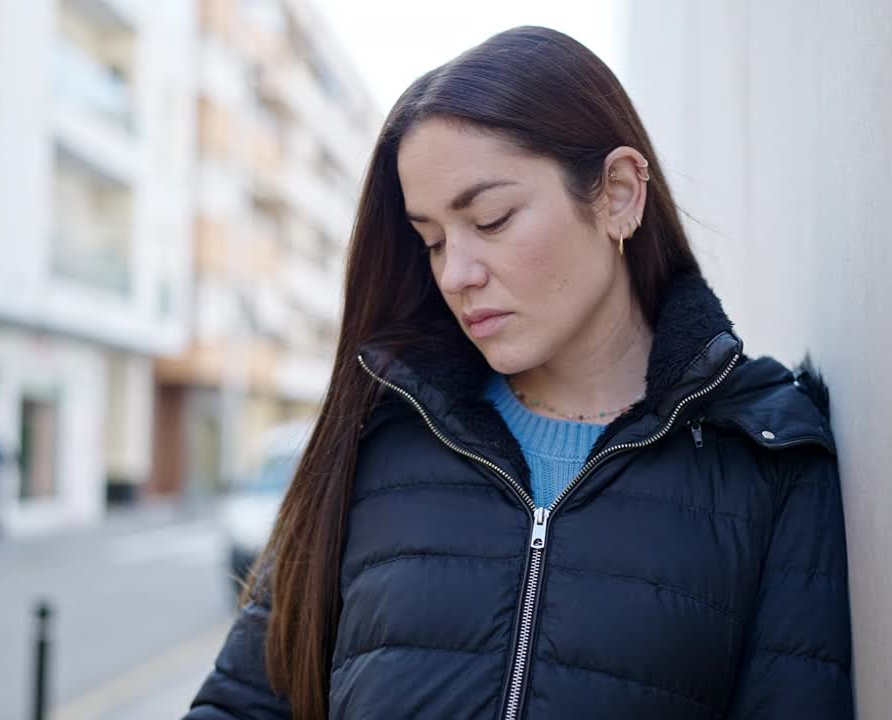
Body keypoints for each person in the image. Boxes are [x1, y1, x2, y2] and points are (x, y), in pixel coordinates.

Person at [187, 25, 853, 720]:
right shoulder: (376, 440)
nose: (456, 273)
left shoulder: (768, 456)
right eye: (433, 240)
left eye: (492, 219)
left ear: (619, 193)